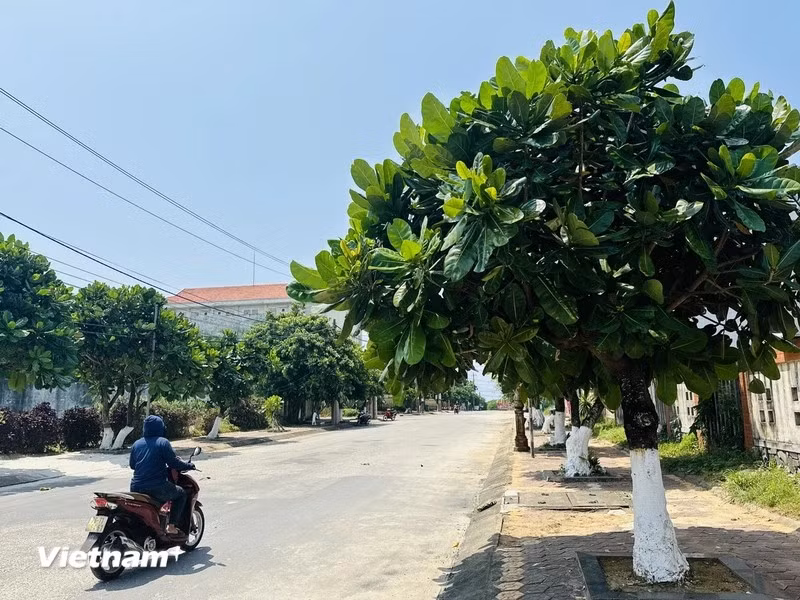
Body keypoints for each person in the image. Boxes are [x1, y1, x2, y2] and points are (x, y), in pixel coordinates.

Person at [129, 415, 195, 535]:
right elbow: (173, 462)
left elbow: (133, 465)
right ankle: (171, 526)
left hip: (136, 487)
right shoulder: (163, 442)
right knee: (180, 494)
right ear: (160, 428)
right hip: (156, 487)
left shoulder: (136, 444)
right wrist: (188, 465)